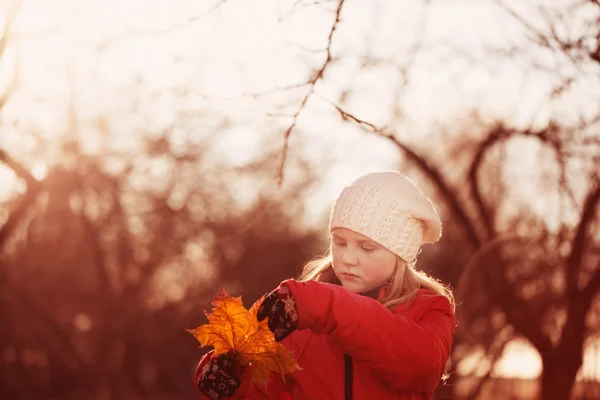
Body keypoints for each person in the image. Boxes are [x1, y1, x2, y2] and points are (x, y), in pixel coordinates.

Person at [194, 171, 457, 400]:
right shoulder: (302, 317)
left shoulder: (429, 308)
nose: (347, 258)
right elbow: (268, 392)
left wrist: (326, 305)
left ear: (400, 254)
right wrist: (234, 386)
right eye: (339, 242)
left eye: (366, 248)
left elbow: (419, 366)